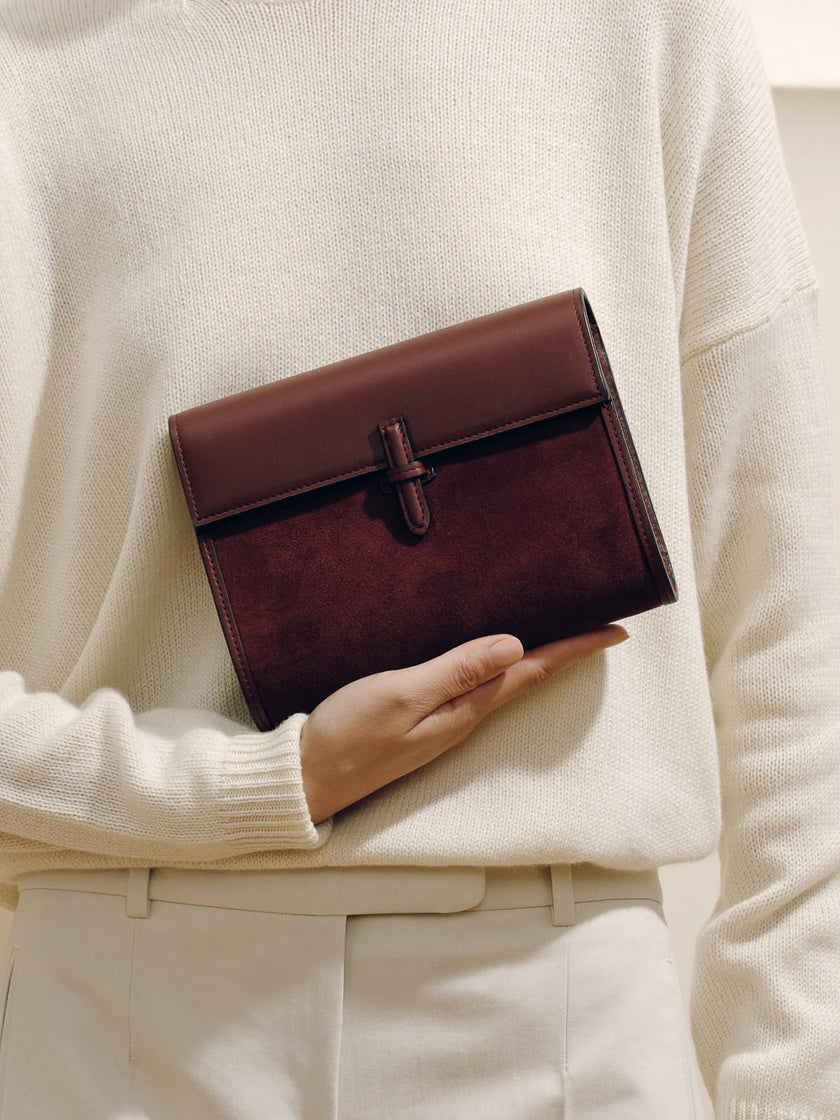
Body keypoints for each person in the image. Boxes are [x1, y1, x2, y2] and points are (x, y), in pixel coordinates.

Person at [0, 0, 837, 1117]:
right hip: (124, 1009)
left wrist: (791, 1088)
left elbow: (794, 629)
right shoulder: (28, 51)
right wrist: (268, 784)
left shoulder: (647, 23)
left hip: (560, 1014)